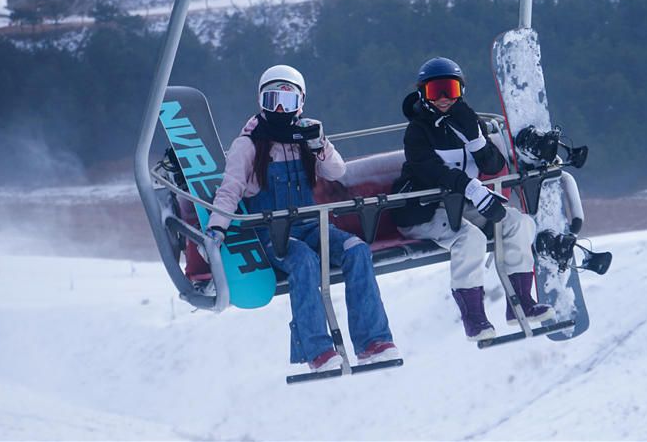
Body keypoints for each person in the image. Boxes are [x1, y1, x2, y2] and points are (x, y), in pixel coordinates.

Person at [205, 64, 399, 372]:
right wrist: (216, 229)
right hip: (276, 234)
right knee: (303, 260)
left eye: (289, 101)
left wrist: (319, 144)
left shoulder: (305, 136)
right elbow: (229, 191)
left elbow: (338, 172)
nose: (281, 110)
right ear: (260, 102)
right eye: (273, 101)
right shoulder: (248, 144)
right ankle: (317, 349)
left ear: (302, 103)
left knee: (357, 250)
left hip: (313, 225)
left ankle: (372, 341)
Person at [391, 57, 554, 342]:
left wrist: (477, 140)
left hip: (464, 205)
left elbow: (493, 166)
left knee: (519, 223)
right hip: (425, 210)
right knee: (471, 240)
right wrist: (474, 190)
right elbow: (431, 171)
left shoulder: (469, 121)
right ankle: (474, 318)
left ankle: (521, 304)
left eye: (450, 89)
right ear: (422, 94)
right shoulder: (418, 131)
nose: (443, 99)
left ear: (461, 91)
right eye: (435, 91)